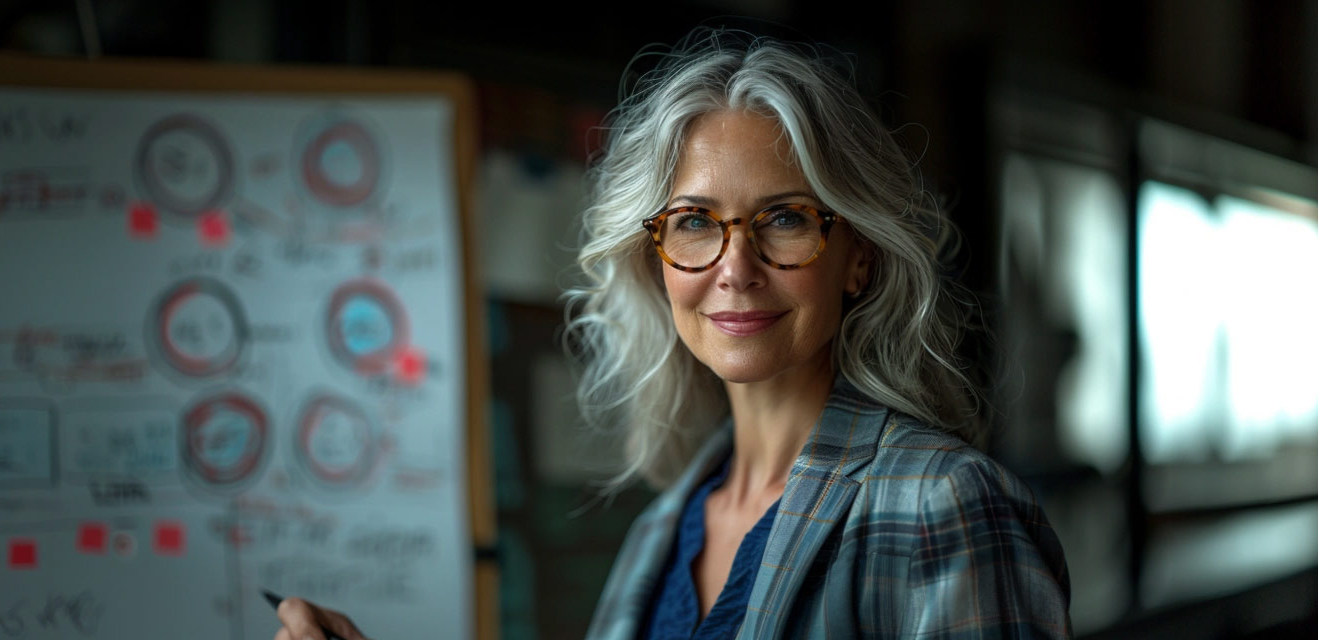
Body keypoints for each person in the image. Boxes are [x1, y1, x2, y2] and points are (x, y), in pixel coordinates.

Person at [273, 31, 1070, 640]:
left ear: (857, 258)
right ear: (654, 260)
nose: (736, 268)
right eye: (694, 223)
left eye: (785, 219)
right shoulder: (671, 521)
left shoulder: (944, 505)